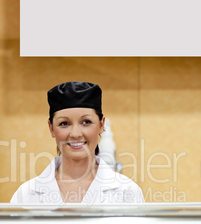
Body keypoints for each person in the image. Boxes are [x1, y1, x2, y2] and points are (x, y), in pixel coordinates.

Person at [10, 81, 145, 204]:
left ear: (101, 125)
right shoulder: (26, 195)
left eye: (86, 122)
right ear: (51, 128)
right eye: (64, 123)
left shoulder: (128, 192)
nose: (75, 134)